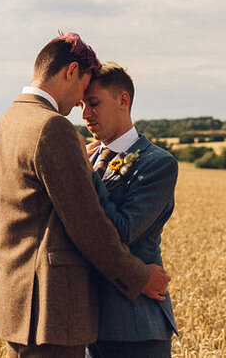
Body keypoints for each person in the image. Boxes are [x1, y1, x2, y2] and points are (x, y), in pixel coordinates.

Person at [0, 33, 170, 357]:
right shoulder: (51, 127)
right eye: (83, 91)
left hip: (17, 299)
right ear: (71, 72)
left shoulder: (7, 121)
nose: (80, 110)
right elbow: (87, 224)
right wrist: (138, 276)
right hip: (50, 307)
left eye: (91, 102)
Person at [82, 63, 178, 358]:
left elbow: (122, 231)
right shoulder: (88, 156)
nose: (85, 115)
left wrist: (85, 174)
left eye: (94, 104)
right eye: (82, 105)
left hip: (134, 326)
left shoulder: (158, 163)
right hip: (84, 323)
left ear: (123, 100)